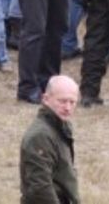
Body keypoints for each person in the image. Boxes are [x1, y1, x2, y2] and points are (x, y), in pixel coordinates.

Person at [19, 74, 81, 204]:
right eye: (62, 101)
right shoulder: (40, 136)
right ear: (46, 99)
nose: (68, 108)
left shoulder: (61, 126)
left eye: (72, 102)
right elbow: (40, 187)